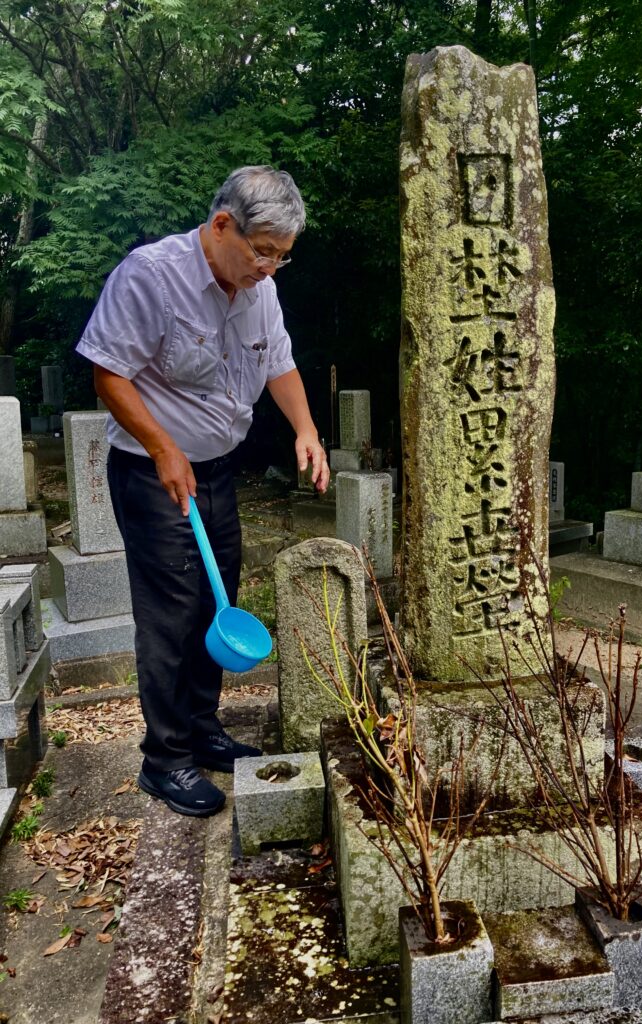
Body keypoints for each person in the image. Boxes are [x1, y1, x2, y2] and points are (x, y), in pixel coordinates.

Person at [76, 166, 329, 817]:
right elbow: (109, 374)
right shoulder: (150, 276)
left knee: (220, 601)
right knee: (173, 612)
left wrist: (305, 429)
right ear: (222, 226)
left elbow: (278, 363)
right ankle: (166, 760)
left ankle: (203, 727)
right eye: (262, 250)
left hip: (215, 471)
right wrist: (163, 446)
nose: (271, 266)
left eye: (282, 256)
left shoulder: (258, 290)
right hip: (151, 470)